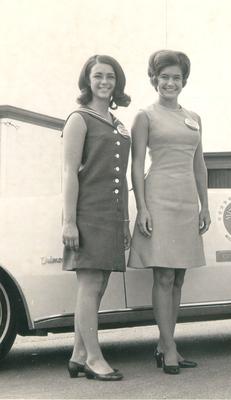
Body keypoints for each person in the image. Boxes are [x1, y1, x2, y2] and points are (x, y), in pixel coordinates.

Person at [128, 50, 210, 375]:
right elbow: (136, 165)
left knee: (178, 276)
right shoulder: (145, 116)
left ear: (184, 81)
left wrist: (205, 205)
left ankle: (165, 344)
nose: (170, 82)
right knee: (163, 274)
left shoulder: (195, 117)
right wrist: (142, 207)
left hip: (187, 201)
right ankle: (170, 347)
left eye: (176, 77)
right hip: (158, 197)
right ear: (154, 79)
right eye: (164, 77)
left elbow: (199, 164)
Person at [62, 55, 131, 381]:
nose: (105, 82)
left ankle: (78, 354)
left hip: (112, 214)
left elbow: (123, 175)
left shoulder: (116, 121)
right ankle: (93, 357)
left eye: (111, 77)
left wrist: (125, 220)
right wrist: (69, 221)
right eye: (98, 76)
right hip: (88, 213)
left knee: (99, 285)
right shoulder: (79, 118)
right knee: (90, 285)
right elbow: (69, 173)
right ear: (87, 80)